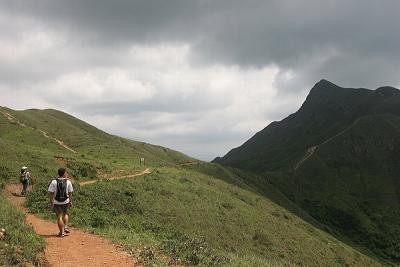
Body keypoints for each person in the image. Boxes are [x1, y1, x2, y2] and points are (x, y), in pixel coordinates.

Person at [48, 168, 74, 237]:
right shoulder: (68, 182)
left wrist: (51, 201)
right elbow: (70, 193)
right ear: (64, 173)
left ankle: (62, 232)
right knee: (66, 214)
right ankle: (65, 226)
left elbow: (51, 193)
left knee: (59, 216)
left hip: (57, 202)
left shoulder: (53, 182)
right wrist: (71, 201)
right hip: (66, 201)